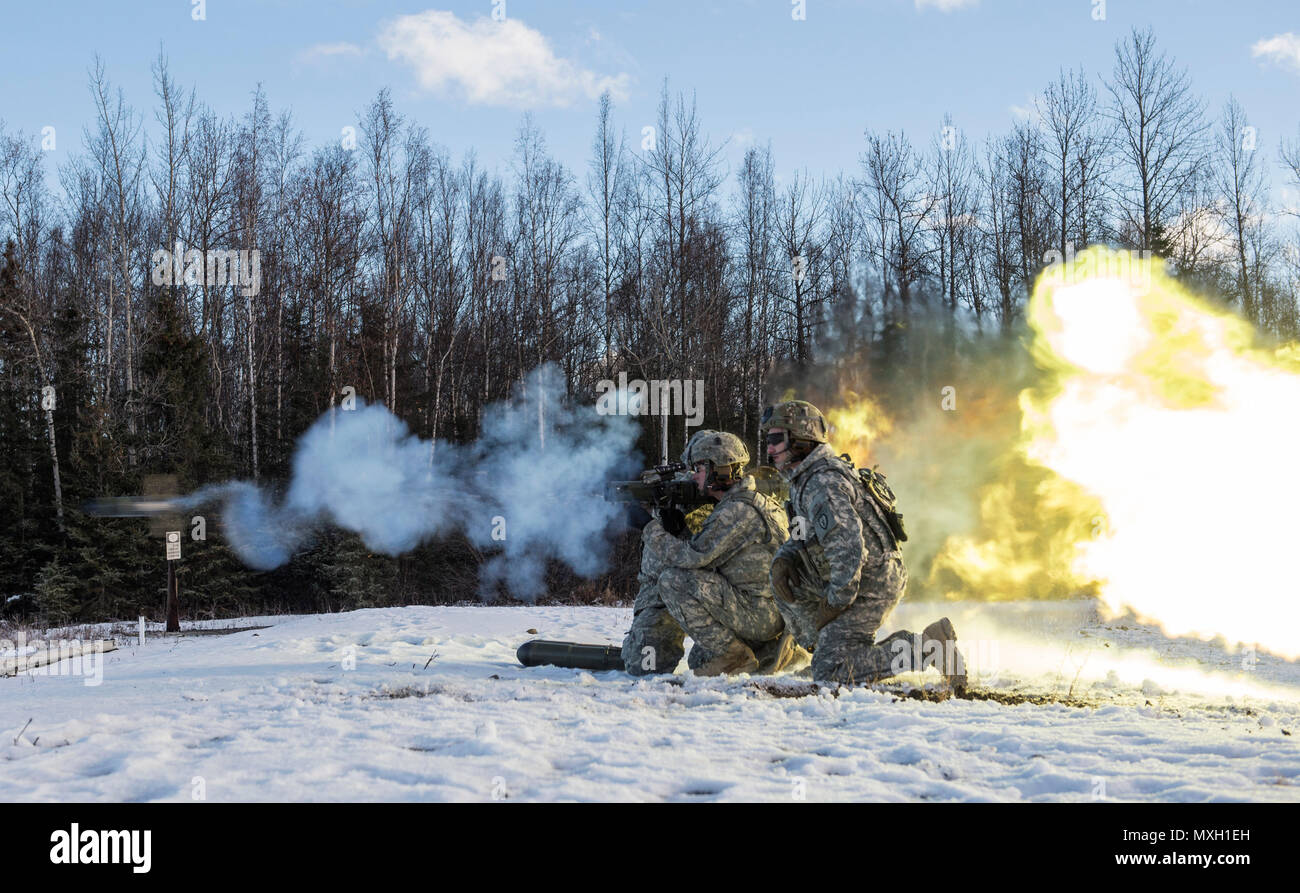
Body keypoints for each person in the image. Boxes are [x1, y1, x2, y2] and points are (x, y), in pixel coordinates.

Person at [761, 400, 967, 688]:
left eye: (774, 439)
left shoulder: (823, 482)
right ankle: (832, 652)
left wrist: (834, 603)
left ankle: (929, 647)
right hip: (854, 576)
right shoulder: (804, 480)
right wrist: (785, 557)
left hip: (872, 581)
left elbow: (849, 549)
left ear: (800, 439)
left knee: (831, 672)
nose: (769, 448)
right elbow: (805, 535)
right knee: (782, 577)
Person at [620, 430, 797, 676]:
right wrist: (679, 528)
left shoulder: (736, 511)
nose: (693, 476)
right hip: (771, 611)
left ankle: (734, 656)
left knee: (673, 581)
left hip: (760, 614)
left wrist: (647, 526)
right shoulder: (751, 501)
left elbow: (692, 559)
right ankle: (761, 652)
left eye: (700, 468)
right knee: (700, 659)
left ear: (721, 470)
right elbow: (712, 553)